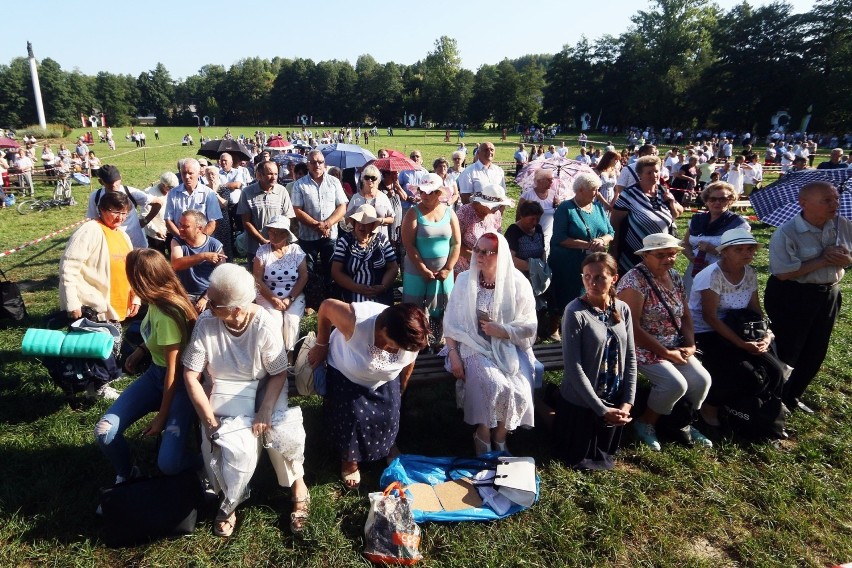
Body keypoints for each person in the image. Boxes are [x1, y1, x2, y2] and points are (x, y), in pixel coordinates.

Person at [183, 264, 310, 537]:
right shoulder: (207, 322)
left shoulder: (263, 323)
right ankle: (230, 498)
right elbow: (191, 376)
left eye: (214, 302)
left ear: (237, 309)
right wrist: (209, 419)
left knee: (276, 426)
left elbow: (277, 373)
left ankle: (298, 484)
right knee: (215, 437)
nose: (207, 304)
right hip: (221, 389)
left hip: (264, 384)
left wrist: (264, 409)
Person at [94, 249, 199, 486]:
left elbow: (173, 372)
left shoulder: (166, 313)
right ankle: (128, 472)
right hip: (155, 376)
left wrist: (162, 418)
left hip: (178, 385)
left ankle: (206, 463)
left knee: (169, 465)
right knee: (104, 431)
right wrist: (142, 349)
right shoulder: (158, 300)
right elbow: (159, 338)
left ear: (139, 279)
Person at [308, 300, 429, 489]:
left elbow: (409, 362)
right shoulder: (356, 321)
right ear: (384, 330)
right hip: (346, 373)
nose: (396, 351)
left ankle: (388, 445)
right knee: (352, 418)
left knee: (390, 413)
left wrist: (401, 387)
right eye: (394, 345)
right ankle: (349, 459)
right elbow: (325, 307)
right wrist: (321, 344)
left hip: (385, 378)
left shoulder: (412, 337)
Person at [442, 233, 538, 455]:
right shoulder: (465, 280)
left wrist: (503, 330)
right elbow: (451, 322)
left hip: (507, 344)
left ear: (501, 255)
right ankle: (483, 432)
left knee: (520, 387)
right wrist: (453, 354)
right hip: (471, 343)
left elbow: (530, 324)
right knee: (493, 383)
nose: (479, 255)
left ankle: (501, 435)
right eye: (477, 249)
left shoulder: (517, 283)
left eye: (486, 252)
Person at [616, 233, 713, 451]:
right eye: (661, 255)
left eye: (672, 254)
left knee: (701, 380)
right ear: (646, 256)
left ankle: (681, 421)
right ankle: (646, 422)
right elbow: (633, 328)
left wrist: (690, 345)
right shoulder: (634, 282)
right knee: (674, 384)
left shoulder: (675, 277)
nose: (668, 259)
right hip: (639, 345)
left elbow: (685, 315)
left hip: (674, 343)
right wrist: (667, 354)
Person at [765, 181, 852, 413]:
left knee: (816, 348)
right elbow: (783, 272)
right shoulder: (787, 232)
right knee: (788, 347)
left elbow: (850, 255)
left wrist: (846, 260)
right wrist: (823, 259)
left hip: (828, 293)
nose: (835, 204)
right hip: (793, 294)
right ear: (804, 204)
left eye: (835, 198)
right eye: (827, 200)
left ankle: (793, 396)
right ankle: (775, 396)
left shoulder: (842, 224)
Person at [690, 229, 786, 436]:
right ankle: (710, 408)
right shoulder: (711, 275)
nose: (746, 253)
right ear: (724, 252)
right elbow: (710, 317)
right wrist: (742, 345)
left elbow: (755, 309)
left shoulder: (749, 272)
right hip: (706, 332)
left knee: (776, 371)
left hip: (740, 328)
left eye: (750, 249)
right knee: (743, 372)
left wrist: (766, 335)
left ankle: (755, 411)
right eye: (739, 249)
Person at [554, 252, 636, 470]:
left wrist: (627, 403)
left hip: (613, 397)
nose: (592, 282)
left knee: (606, 453)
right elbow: (574, 367)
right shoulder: (575, 312)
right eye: (587, 276)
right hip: (583, 401)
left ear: (614, 279)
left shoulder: (622, 309)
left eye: (600, 277)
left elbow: (630, 358)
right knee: (580, 459)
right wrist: (601, 410)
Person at [59, 190, 140, 324]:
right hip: (96, 310)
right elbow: (68, 267)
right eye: (115, 212)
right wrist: (72, 303)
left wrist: (135, 297)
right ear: (101, 209)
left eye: (124, 213)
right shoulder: (89, 230)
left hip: (120, 308)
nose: (120, 218)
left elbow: (132, 269)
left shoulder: (123, 235)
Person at [401, 173, 461, 347]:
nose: (425, 195)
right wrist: (422, 269)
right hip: (416, 272)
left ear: (439, 193)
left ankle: (437, 343)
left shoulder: (450, 213)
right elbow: (409, 245)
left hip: (443, 274)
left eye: (430, 192)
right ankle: (415, 343)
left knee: (441, 309)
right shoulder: (413, 213)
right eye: (422, 191)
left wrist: (448, 268)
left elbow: (456, 243)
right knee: (413, 310)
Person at [548, 173, 615, 316]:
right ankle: (559, 323)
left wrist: (602, 240)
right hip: (568, 263)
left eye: (598, 189)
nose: (597, 193)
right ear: (580, 190)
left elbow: (611, 232)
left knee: (591, 292)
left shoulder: (598, 207)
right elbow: (559, 238)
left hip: (594, 263)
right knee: (567, 295)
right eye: (594, 189)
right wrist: (588, 245)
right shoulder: (566, 208)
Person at [610, 156, 683, 275]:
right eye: (649, 172)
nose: (654, 175)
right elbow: (615, 222)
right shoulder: (629, 194)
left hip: (662, 250)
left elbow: (677, 213)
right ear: (640, 175)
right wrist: (614, 248)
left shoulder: (663, 191)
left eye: (656, 171)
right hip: (634, 250)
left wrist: (671, 202)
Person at [252, 216, 307, 365]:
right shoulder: (262, 251)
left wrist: (291, 298)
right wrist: (273, 299)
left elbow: (303, 276)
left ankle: (289, 356)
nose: (274, 236)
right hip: (267, 293)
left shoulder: (296, 250)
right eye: (271, 232)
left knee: (292, 320)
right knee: (275, 321)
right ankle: (276, 356)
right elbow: (257, 279)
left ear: (286, 234)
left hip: (293, 294)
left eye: (278, 232)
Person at [680, 182, 750, 292]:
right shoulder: (697, 220)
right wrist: (692, 258)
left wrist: (713, 250)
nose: (717, 202)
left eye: (723, 199)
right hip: (696, 271)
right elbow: (685, 243)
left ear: (730, 200)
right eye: (712, 199)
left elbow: (743, 255)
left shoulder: (738, 224)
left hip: (724, 273)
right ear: (706, 201)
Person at [291, 149, 348, 278]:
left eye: (320, 162)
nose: (317, 165)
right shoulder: (299, 185)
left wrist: (327, 224)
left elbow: (342, 206)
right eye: (313, 162)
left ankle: (329, 295)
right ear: (308, 165)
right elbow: (297, 210)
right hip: (307, 236)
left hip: (330, 235)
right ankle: (312, 296)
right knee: (308, 271)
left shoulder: (334, 182)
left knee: (331, 269)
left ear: (325, 164)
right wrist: (317, 226)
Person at [332, 204, 399, 305]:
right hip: (352, 297)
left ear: (373, 225)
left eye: (366, 223)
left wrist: (383, 287)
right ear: (354, 223)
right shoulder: (344, 242)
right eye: (358, 222)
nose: (361, 227)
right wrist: (357, 288)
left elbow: (393, 267)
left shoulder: (382, 240)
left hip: (379, 297)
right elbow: (336, 272)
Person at [237, 160, 296, 265]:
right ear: (260, 175)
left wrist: (279, 240)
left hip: (278, 246)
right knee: (255, 278)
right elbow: (246, 221)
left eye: (276, 174)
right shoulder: (247, 192)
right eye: (270, 174)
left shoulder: (282, 191)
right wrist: (262, 239)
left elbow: (288, 218)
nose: (274, 177)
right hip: (254, 246)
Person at [171, 210, 226, 311]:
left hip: (208, 294)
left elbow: (221, 277)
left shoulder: (215, 245)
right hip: (185, 294)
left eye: (185, 226)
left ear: (199, 229)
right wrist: (204, 256)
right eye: (180, 224)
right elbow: (176, 264)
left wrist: (206, 297)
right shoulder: (177, 241)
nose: (180, 229)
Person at [454, 184, 512, 275]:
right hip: (464, 269)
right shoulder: (465, 212)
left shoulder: (496, 214)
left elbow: (498, 238)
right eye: (496, 206)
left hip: (488, 269)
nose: (498, 209)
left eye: (499, 206)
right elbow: (455, 243)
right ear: (484, 204)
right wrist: (478, 257)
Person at [164, 158, 222, 238]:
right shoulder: (173, 193)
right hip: (180, 240)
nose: (187, 176)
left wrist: (198, 240)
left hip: (203, 241)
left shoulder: (209, 193)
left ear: (198, 174)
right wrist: (182, 238)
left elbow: (213, 222)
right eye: (183, 173)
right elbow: (168, 220)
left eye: (190, 173)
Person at [518, 169, 562, 257]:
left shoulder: (554, 195)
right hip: (529, 235)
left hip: (548, 235)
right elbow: (519, 216)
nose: (552, 181)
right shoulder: (527, 195)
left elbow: (559, 216)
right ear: (539, 181)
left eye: (552, 179)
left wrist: (558, 204)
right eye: (549, 179)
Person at [346, 164, 395, 239]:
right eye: (367, 177)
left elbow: (392, 218)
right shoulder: (356, 198)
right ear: (363, 179)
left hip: (380, 239)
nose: (370, 180)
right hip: (360, 240)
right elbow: (347, 219)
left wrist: (381, 220)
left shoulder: (383, 197)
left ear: (378, 180)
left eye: (373, 178)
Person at [142, 172, 178, 255]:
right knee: (159, 257)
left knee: (174, 254)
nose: (172, 190)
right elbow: (144, 216)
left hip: (171, 230)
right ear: (162, 185)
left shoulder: (174, 192)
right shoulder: (149, 194)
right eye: (170, 188)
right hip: (156, 233)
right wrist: (156, 231)